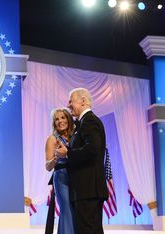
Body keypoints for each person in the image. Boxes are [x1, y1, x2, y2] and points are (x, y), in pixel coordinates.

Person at [55, 88, 108, 234]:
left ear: (83, 101)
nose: (68, 104)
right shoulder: (83, 122)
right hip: (87, 189)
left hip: (88, 189)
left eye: (71, 101)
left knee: (88, 230)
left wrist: (68, 153)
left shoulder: (89, 120)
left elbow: (92, 149)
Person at [45, 108, 76, 234]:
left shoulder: (75, 136)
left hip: (76, 176)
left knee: (75, 211)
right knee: (67, 211)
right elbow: (48, 166)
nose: (60, 121)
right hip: (61, 177)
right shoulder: (52, 139)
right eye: (56, 119)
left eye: (63, 117)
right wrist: (57, 157)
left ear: (68, 119)